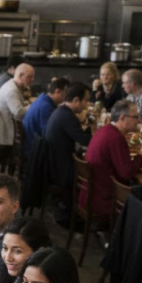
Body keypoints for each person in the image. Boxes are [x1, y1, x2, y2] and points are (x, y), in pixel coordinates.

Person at [83, 100, 142, 218]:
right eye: (135, 117)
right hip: (105, 200)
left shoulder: (104, 129)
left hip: (91, 193)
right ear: (122, 118)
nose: (138, 120)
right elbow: (127, 174)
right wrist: (141, 156)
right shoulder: (116, 137)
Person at [44, 82, 93, 226]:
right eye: (86, 100)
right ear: (76, 100)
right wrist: (91, 128)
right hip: (61, 168)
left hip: (54, 161)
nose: (87, 105)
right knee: (95, 171)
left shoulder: (61, 111)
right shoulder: (67, 116)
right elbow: (85, 140)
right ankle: (77, 213)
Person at [23, 77, 70, 160]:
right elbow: (50, 135)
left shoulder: (42, 98)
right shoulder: (46, 107)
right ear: (57, 91)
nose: (67, 97)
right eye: (66, 94)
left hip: (32, 144)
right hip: (35, 151)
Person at [0, 64, 35, 153]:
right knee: (38, 135)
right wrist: (34, 105)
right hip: (8, 134)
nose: (33, 79)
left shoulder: (12, 84)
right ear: (20, 75)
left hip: (7, 126)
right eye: (30, 77)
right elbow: (18, 112)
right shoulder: (12, 90)